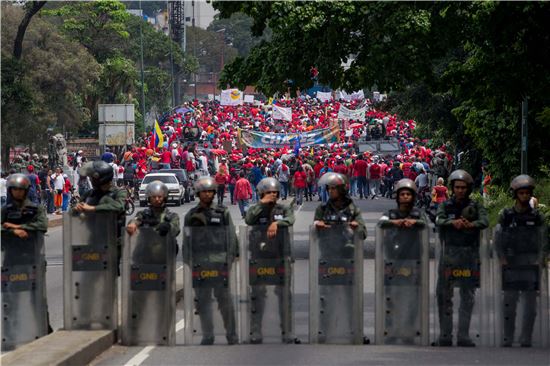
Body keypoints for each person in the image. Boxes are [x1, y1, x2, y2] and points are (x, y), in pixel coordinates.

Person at [435, 169, 488, 347]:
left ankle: (464, 335)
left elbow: (485, 221)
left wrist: (471, 224)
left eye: (464, 187)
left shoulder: (475, 205)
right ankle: (445, 334)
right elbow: (439, 221)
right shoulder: (446, 206)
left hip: (469, 255)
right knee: (443, 295)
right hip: (449, 255)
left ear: (469, 189)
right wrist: (453, 223)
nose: (460, 190)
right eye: (457, 187)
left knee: (468, 296)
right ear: (452, 188)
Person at [183, 176, 238, 345]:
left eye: (209, 191)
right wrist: (190, 262)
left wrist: (229, 260)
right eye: (203, 192)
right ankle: (208, 335)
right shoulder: (191, 215)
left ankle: (231, 334)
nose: (207, 194)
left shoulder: (222, 212)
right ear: (198, 194)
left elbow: (231, 238)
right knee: (202, 302)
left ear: (214, 192)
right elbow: (187, 241)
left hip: (219, 261)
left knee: (225, 301)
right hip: (200, 263)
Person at [494, 175, 547, 347]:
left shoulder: (537, 217)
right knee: (509, 302)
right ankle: (507, 336)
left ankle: (526, 337)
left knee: (530, 305)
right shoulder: (507, 215)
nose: (524, 196)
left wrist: (540, 259)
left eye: (527, 193)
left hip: (530, 262)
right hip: (511, 262)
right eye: (521, 193)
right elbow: (498, 237)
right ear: (515, 194)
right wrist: (501, 258)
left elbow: (543, 239)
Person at [313, 173, 366, 342]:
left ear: (342, 189)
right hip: (328, 257)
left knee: (351, 297)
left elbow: (363, 232)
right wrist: (317, 225)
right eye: (329, 188)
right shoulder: (322, 209)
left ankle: (355, 331)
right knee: (326, 297)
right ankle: (323, 331)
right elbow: (315, 229)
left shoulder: (352, 209)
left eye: (334, 188)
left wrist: (356, 227)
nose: (331, 191)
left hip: (347, 257)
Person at [1, 173, 52, 343]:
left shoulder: (35, 209)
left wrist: (18, 226)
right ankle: (10, 332)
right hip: (10, 259)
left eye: (20, 190)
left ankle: (44, 329)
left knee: (36, 297)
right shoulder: (5, 211)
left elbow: (42, 225)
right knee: (10, 298)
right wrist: (12, 231)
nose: (17, 193)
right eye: (14, 189)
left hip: (33, 257)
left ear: (26, 191)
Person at [245, 177, 295, 344]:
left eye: (274, 192)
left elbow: (290, 219)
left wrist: (277, 223)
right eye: (268, 193)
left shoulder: (283, 208)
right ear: (261, 194)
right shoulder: (256, 209)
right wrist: (261, 204)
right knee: (257, 295)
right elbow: (248, 219)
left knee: (284, 295)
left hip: (280, 257)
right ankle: (256, 331)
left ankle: (286, 331)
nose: (272, 195)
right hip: (259, 258)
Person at [378, 179, 427, 344]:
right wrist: (395, 223)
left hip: (413, 260)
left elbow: (425, 224)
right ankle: (391, 330)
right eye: (402, 194)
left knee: (412, 297)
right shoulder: (390, 214)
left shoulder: (418, 214)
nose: (405, 197)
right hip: (393, 260)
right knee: (392, 296)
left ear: (413, 196)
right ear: (397, 196)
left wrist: (414, 223)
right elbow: (381, 222)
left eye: (408, 194)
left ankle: (409, 330)